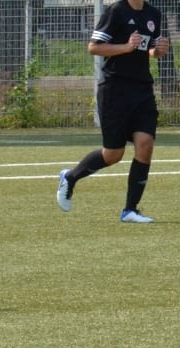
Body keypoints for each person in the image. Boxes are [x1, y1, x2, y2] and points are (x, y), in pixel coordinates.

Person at [55, 0, 169, 222]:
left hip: (142, 90)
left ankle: (130, 210)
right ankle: (70, 177)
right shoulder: (116, 11)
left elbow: (150, 50)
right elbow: (94, 47)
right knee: (113, 154)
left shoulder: (154, 14)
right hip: (115, 90)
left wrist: (158, 51)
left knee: (145, 145)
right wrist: (126, 47)